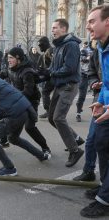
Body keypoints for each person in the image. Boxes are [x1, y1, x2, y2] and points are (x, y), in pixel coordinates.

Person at [80, 5, 109, 218]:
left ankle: (105, 200)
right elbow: (105, 83)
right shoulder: (100, 46)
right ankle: (105, 188)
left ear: (107, 22)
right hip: (106, 105)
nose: (88, 26)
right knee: (100, 143)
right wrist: (100, 101)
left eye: (92, 21)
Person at [48, 18, 84, 167]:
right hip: (59, 85)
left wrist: (52, 73)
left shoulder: (71, 45)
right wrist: (45, 73)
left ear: (64, 29)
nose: (53, 31)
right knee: (51, 117)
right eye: (52, 28)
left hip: (69, 85)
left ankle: (75, 150)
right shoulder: (59, 46)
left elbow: (69, 68)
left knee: (58, 118)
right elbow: (53, 67)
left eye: (55, 28)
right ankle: (75, 138)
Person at [7, 47, 51, 155]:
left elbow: (28, 92)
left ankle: (45, 148)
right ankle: (3, 139)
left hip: (31, 102)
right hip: (19, 101)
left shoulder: (27, 72)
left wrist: (13, 97)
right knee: (8, 120)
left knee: (29, 127)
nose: (8, 60)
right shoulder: (12, 69)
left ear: (18, 59)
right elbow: (2, 76)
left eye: (11, 58)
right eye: (8, 57)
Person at [73, 47, 101, 182]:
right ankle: (89, 171)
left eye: (91, 23)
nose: (88, 27)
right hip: (100, 101)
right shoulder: (98, 50)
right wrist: (95, 83)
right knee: (91, 140)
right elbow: (92, 71)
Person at [37, 36, 54, 119]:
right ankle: (50, 111)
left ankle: (50, 111)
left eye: (40, 45)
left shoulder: (50, 51)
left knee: (45, 91)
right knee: (46, 91)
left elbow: (54, 63)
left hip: (53, 76)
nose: (39, 47)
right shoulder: (46, 52)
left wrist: (46, 71)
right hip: (50, 75)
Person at [75, 41, 92, 122]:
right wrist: (88, 57)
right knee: (82, 95)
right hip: (84, 75)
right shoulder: (83, 50)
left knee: (98, 95)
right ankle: (78, 113)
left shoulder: (99, 50)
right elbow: (82, 60)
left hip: (94, 75)